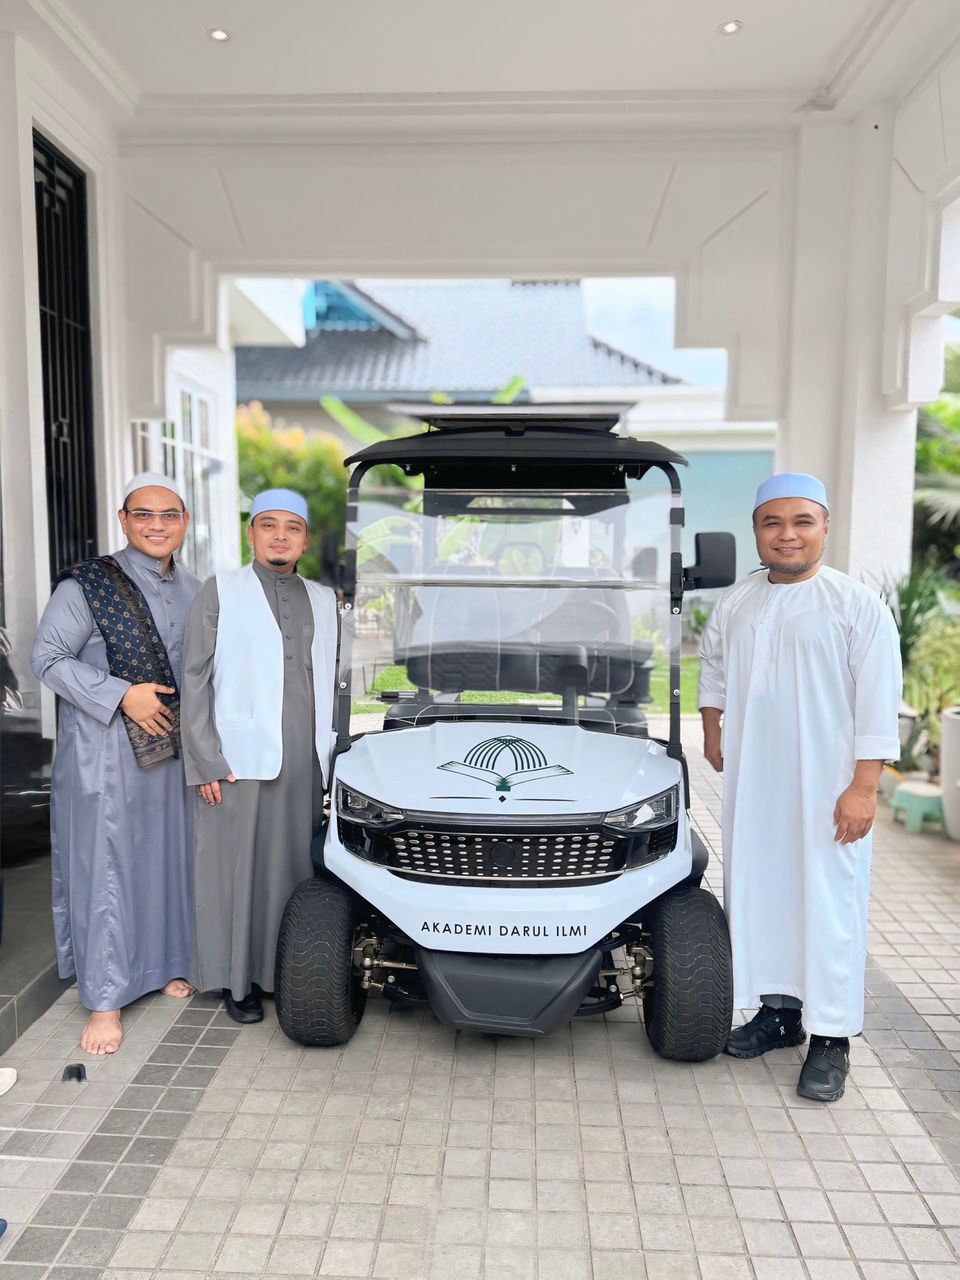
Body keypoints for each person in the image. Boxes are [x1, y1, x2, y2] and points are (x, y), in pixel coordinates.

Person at [698, 472, 902, 1101]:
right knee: (761, 893)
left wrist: (864, 786)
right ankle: (779, 1016)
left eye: (801, 522)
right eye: (773, 523)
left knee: (827, 905)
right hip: (756, 786)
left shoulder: (855, 605)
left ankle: (831, 1039)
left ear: (824, 528)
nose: (787, 535)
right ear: (756, 530)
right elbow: (713, 666)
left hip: (827, 788)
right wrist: (712, 727)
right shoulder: (737, 601)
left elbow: (878, 701)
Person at [31, 473, 201, 1055]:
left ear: (184, 522)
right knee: (107, 865)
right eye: (143, 514)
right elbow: (47, 657)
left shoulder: (196, 589)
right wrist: (121, 693)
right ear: (124, 520)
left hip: (170, 750)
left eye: (169, 514)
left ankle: (166, 964)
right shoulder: (88, 585)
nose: (157, 525)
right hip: (103, 753)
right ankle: (105, 1000)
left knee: (167, 857)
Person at [181, 489, 338, 1024]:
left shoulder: (323, 598)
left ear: (305, 540)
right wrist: (204, 758)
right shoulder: (221, 590)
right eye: (268, 525)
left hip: (304, 760)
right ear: (251, 533)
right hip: (236, 760)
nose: (279, 536)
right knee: (236, 871)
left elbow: (333, 680)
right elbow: (194, 678)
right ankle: (236, 979)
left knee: (294, 870)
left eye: (292, 527)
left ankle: (285, 973)